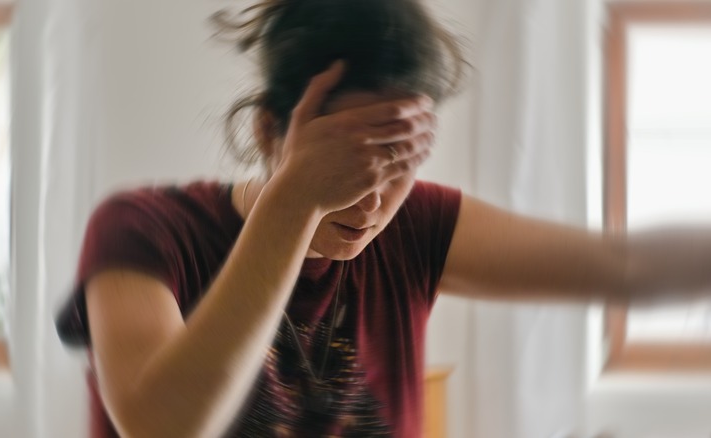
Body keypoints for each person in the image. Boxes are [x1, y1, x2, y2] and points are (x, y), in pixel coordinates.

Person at [55, 0, 711, 437]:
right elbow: (162, 424)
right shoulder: (142, 230)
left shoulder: (415, 229)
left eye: (397, 163)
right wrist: (295, 198)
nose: (369, 201)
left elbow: (623, 267)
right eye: (343, 161)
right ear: (266, 131)